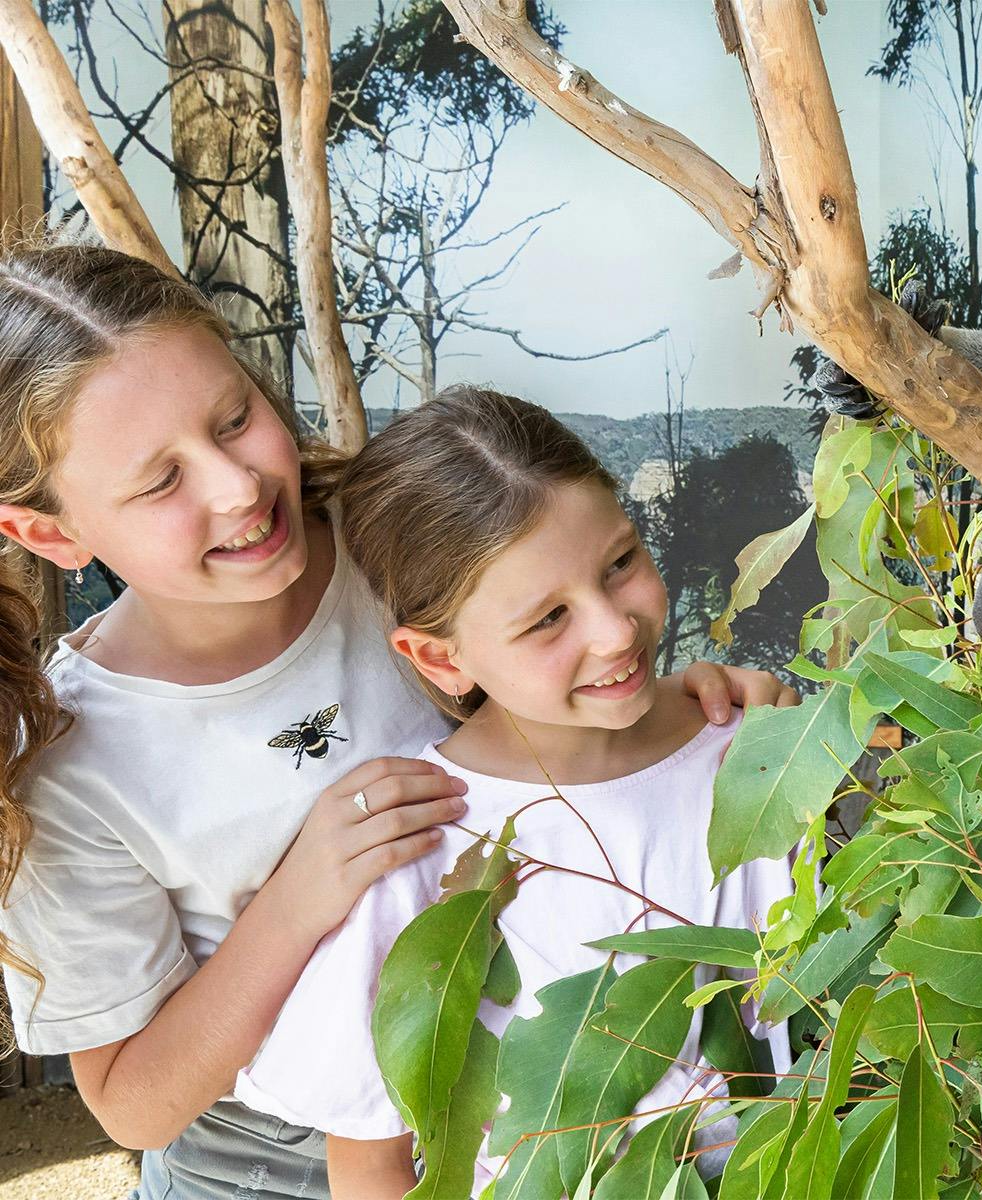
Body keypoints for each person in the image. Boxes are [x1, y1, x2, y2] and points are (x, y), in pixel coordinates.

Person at [0, 244, 796, 1199]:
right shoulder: (69, 762)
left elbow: (570, 685)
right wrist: (300, 901)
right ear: (52, 534)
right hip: (265, 1163)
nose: (237, 487)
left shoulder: (397, 542)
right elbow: (134, 1106)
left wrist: (689, 716)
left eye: (235, 419)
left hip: (539, 1112)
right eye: (160, 480)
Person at [235, 386, 793, 1197]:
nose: (613, 629)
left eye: (621, 563)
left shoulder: (753, 752)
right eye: (546, 620)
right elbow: (372, 1159)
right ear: (440, 660)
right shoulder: (418, 847)